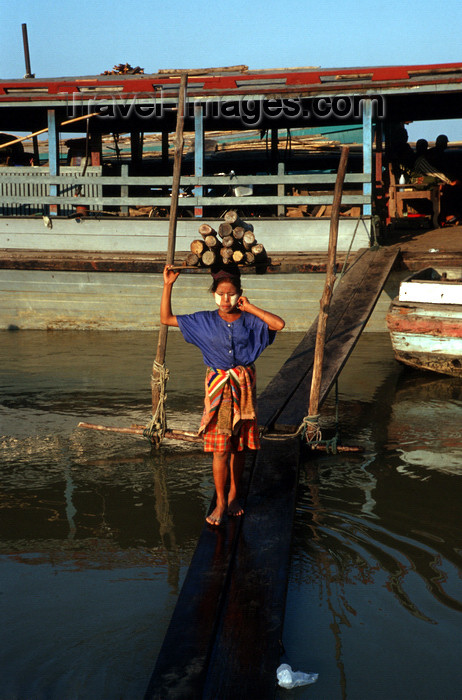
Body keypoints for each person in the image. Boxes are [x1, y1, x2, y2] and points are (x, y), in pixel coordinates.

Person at [161, 263, 285, 527]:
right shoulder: (203, 320)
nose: (225, 299)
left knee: (238, 447)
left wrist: (249, 307)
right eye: (220, 294)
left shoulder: (249, 319)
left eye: (230, 294)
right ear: (213, 294)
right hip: (219, 389)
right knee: (220, 449)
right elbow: (166, 318)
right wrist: (168, 285)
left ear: (239, 294)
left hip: (243, 389)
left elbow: (279, 324)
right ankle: (219, 502)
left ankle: (233, 496)